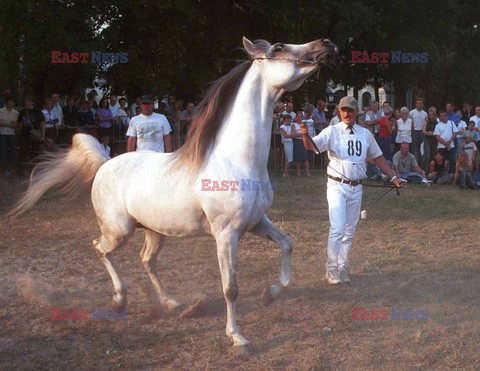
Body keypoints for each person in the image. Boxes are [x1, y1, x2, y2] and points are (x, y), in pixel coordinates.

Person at [300, 96, 402, 284]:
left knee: (350, 230)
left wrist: (394, 177)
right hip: (337, 186)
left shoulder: (365, 134)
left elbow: (378, 158)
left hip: (357, 187)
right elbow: (311, 146)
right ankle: (331, 270)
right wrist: (305, 135)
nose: (347, 113)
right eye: (343, 110)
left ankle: (342, 267)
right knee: (338, 228)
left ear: (356, 112)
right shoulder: (332, 131)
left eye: (350, 110)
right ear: (339, 112)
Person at [17, 96, 45, 172]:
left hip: (35, 135)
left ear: (32, 102)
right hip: (25, 135)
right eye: (26, 101)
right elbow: (19, 123)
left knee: (35, 153)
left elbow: (42, 124)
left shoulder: (38, 111)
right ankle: (21, 170)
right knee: (23, 152)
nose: (27, 103)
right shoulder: (22, 112)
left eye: (29, 101)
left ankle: (34, 170)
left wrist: (43, 135)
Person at [434, 110, 458, 174]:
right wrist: (445, 143)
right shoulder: (438, 126)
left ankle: (452, 174)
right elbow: (437, 137)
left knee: (452, 161)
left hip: (451, 146)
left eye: (444, 116)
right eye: (441, 116)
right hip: (441, 146)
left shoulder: (451, 123)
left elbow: (455, 133)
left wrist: (449, 142)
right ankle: (441, 174)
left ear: (446, 116)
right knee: (442, 161)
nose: (443, 117)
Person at [0, 97, 19, 176]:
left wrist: (5, 124)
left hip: (11, 134)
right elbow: (0, 124)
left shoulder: (16, 113)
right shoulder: (1, 111)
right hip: (2, 133)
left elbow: (15, 125)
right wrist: (10, 124)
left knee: (13, 151)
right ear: (7, 103)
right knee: (3, 152)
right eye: (10, 102)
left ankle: (12, 167)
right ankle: (5, 169)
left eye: (13, 102)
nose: (12, 104)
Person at [292, 111, 311, 176]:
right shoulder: (294, 125)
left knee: (306, 157)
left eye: (300, 117)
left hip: (304, 141)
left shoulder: (304, 124)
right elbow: (294, 134)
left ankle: (307, 172)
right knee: (297, 158)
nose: (299, 118)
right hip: (297, 141)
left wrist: (300, 134)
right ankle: (298, 172)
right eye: (298, 116)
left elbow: (307, 132)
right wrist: (302, 133)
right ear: (296, 117)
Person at [409, 98, 427, 165]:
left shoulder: (425, 114)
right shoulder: (411, 113)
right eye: (417, 103)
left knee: (421, 150)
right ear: (415, 104)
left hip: (422, 132)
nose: (418, 104)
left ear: (422, 104)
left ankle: (420, 164)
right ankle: (414, 165)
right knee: (415, 150)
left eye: (420, 103)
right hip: (415, 132)